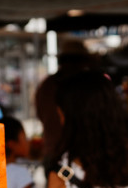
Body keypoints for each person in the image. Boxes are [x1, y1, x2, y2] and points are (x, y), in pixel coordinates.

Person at [35, 39, 93, 174]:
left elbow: (41, 114)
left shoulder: (47, 85)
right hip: (74, 154)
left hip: (54, 151)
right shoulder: (78, 85)